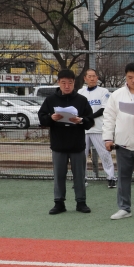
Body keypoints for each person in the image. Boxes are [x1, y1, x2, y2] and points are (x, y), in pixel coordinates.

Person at [37, 69, 95, 214]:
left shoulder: (81, 100)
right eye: (63, 83)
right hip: (58, 144)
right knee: (59, 175)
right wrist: (51, 118)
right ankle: (59, 203)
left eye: (70, 82)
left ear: (74, 83)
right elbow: (42, 117)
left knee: (79, 175)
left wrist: (80, 120)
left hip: (77, 145)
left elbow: (90, 121)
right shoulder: (50, 100)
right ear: (59, 83)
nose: (67, 86)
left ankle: (81, 202)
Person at [103, 62, 134, 219]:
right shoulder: (117, 95)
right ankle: (124, 208)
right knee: (123, 178)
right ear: (125, 77)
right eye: (130, 77)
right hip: (123, 144)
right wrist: (108, 138)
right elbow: (109, 117)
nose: (133, 80)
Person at [78, 68, 117, 188]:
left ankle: (111, 178)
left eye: (94, 76)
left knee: (105, 154)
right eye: (89, 76)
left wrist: (89, 117)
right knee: (81, 155)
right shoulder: (80, 92)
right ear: (85, 78)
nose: (92, 78)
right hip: (83, 129)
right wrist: (84, 120)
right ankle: (81, 179)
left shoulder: (103, 91)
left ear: (97, 78)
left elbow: (104, 109)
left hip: (99, 128)